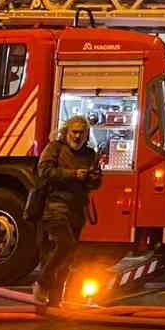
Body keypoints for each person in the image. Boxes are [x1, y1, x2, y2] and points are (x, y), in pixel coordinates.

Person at [32, 116, 103, 306]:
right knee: (66, 245)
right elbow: (44, 171)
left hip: (77, 210)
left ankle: (55, 302)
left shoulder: (90, 154)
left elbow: (96, 183)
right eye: (74, 132)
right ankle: (41, 283)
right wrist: (73, 174)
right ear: (67, 132)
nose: (78, 136)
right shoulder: (55, 148)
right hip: (55, 206)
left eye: (82, 133)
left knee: (67, 259)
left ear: (87, 134)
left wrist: (93, 178)